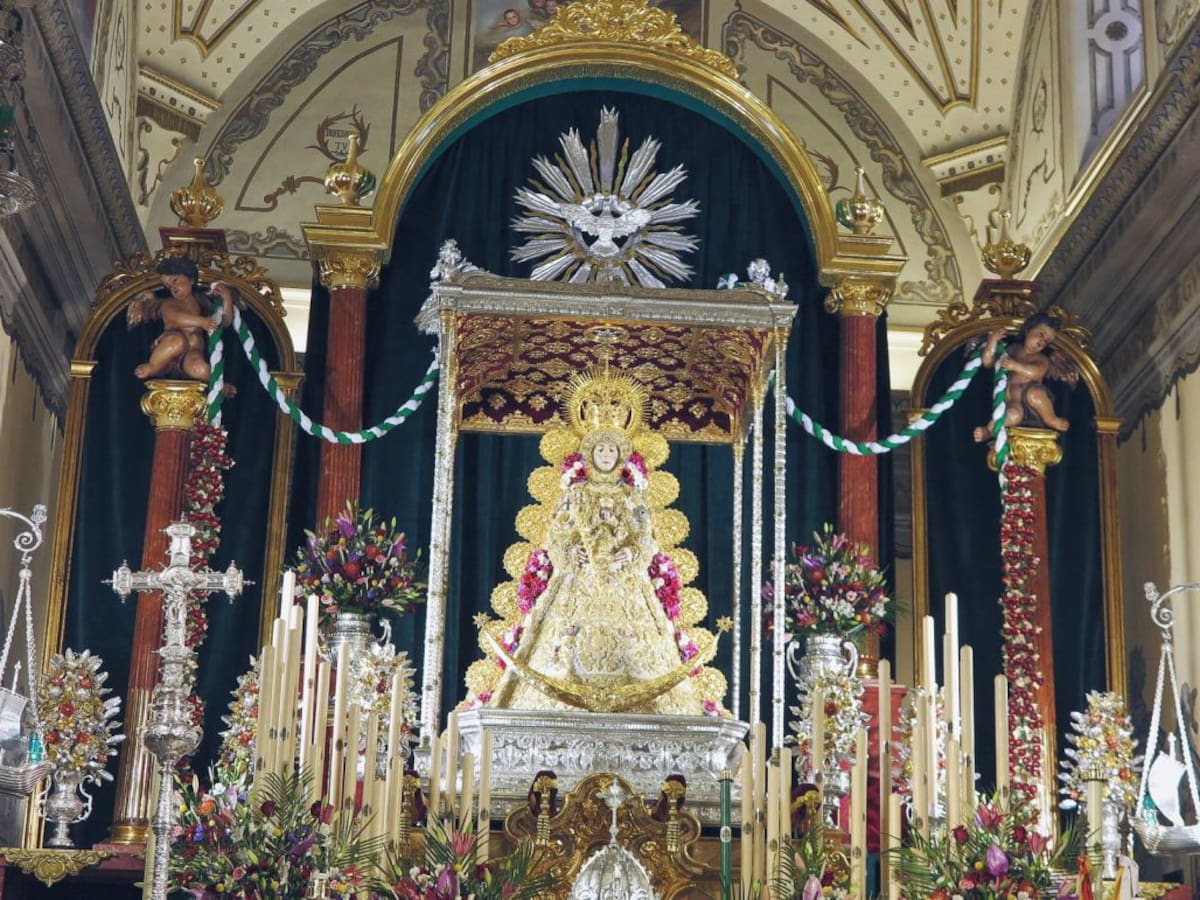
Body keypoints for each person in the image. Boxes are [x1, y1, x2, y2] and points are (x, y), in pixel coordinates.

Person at [485, 368, 712, 715]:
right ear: (590, 453)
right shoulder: (575, 494)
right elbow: (557, 533)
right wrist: (569, 551)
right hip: (578, 580)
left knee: (641, 650)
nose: (606, 454)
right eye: (601, 448)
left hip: (626, 584)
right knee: (560, 647)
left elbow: (645, 537)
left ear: (620, 455)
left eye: (611, 449)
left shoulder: (632, 497)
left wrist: (631, 554)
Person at [127, 256, 236, 382]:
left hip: (193, 350)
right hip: (171, 348)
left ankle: (218, 385)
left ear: (191, 279)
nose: (172, 287)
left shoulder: (202, 302)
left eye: (175, 280)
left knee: (200, 368)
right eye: (168, 286)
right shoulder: (169, 303)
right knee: (177, 341)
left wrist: (227, 299)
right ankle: (153, 366)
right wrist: (201, 322)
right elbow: (175, 317)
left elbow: (224, 322)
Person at [973, 312, 1075, 442]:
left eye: (1047, 341)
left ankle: (1051, 418)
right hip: (1013, 398)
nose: (1042, 342)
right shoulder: (1013, 350)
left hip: (1031, 396)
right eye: (1041, 334)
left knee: (1036, 394)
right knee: (1012, 415)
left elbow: (1036, 373)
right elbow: (988, 362)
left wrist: (1016, 366)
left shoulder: (1041, 358)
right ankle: (989, 431)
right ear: (1028, 330)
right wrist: (992, 340)